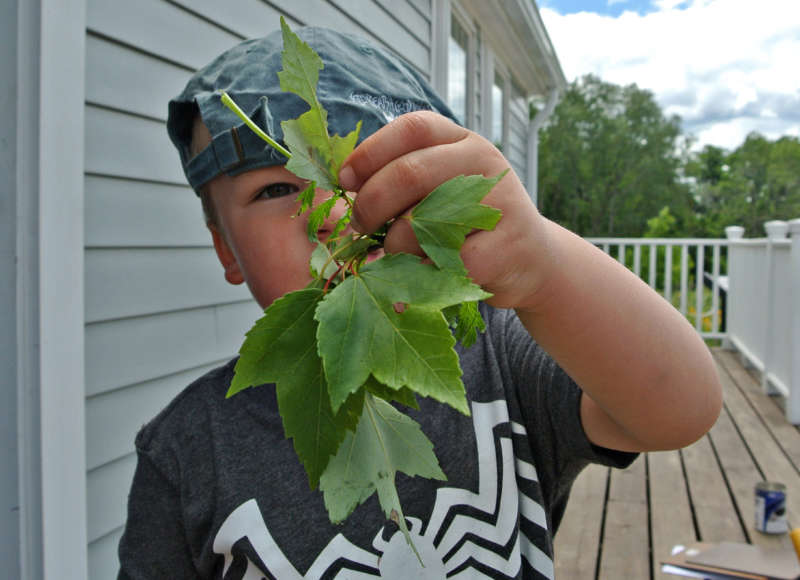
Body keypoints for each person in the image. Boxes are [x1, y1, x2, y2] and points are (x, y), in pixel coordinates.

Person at [117, 23, 722, 579]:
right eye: (276, 188)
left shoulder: (499, 355)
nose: (329, 214)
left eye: (374, 181)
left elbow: (680, 408)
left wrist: (547, 270)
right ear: (226, 248)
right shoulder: (185, 450)